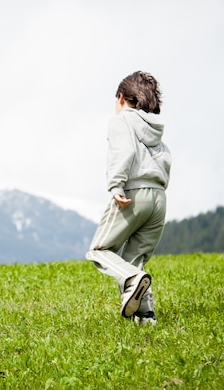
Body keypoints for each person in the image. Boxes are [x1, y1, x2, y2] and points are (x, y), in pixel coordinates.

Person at [85, 71, 171, 326]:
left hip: (134, 194)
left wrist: (116, 185)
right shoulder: (155, 130)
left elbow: (125, 150)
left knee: (99, 250)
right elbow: (165, 162)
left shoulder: (122, 121)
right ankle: (146, 317)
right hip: (159, 198)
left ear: (122, 97)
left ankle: (132, 280)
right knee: (135, 258)